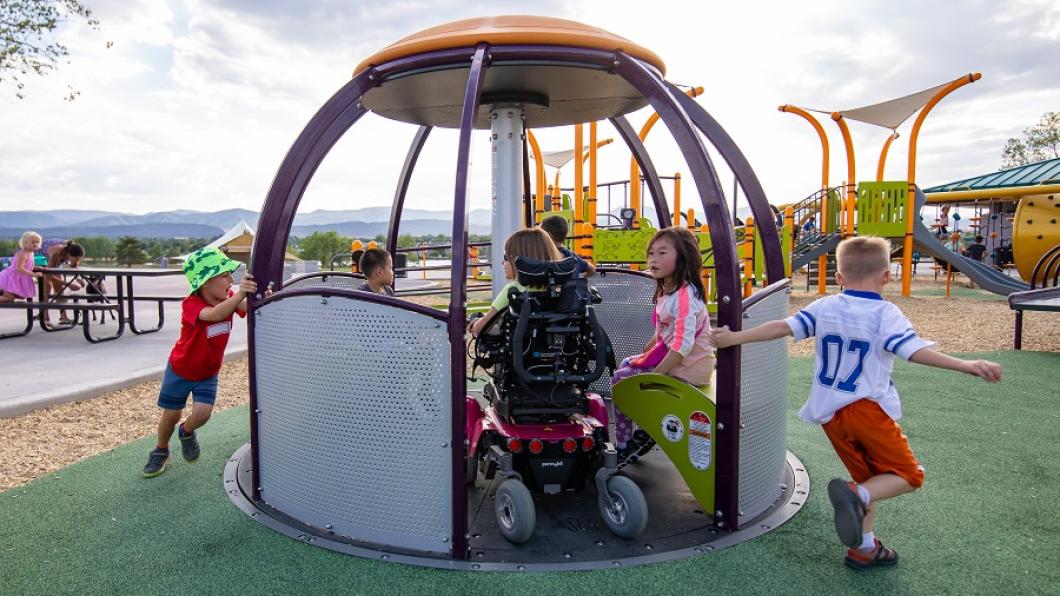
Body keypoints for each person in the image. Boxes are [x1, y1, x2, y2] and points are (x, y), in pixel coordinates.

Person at [710, 236, 1002, 570]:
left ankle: (864, 548)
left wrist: (736, 337)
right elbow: (912, 351)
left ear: (840, 277)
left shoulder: (825, 306)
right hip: (866, 411)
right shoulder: (885, 313)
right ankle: (857, 497)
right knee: (908, 476)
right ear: (887, 276)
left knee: (869, 482)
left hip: (831, 415)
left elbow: (782, 327)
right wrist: (966, 365)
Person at [143, 247, 257, 478]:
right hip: (181, 370)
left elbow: (251, 309)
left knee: (203, 414)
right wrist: (239, 295)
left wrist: (254, 295)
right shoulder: (191, 305)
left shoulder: (229, 299)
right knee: (171, 415)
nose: (229, 280)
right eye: (223, 275)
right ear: (205, 282)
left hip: (207, 372)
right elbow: (213, 315)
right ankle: (161, 449)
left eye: (229, 275)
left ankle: (187, 431)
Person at [610, 227, 714, 464]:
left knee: (622, 380)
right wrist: (641, 356)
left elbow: (681, 346)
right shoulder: (669, 291)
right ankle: (643, 425)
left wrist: (655, 376)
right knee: (627, 364)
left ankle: (631, 440)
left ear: (682, 257)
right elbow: (662, 335)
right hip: (679, 360)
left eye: (662, 253)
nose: (653, 259)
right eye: (651, 254)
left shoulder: (685, 297)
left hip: (690, 367)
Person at [470, 228, 561, 337]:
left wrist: (474, 323)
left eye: (506, 257)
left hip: (519, 351)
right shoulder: (561, 288)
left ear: (521, 260)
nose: (502, 262)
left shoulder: (513, 291)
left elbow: (480, 330)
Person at [43, 240, 86, 324]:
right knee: (46, 289)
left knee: (60, 290)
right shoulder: (56, 255)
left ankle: (63, 317)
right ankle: (45, 318)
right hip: (42, 260)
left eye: (79, 259)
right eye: (76, 259)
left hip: (55, 264)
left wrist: (79, 279)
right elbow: (48, 275)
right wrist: (69, 285)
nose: (77, 260)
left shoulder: (72, 253)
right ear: (69, 255)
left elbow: (75, 267)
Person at [0, 231, 43, 303]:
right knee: (9, 298)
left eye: (37, 242)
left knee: (22, 295)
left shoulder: (31, 252)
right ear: (25, 243)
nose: (35, 244)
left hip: (19, 278)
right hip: (11, 278)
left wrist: (35, 267)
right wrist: (34, 274)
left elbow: (26, 265)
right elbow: (19, 268)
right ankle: (3, 291)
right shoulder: (23, 253)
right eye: (32, 242)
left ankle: (2, 291)